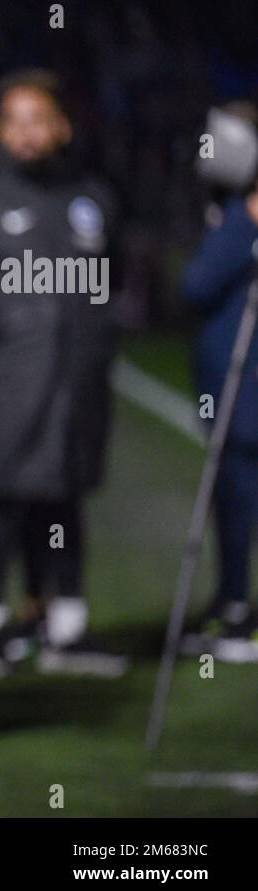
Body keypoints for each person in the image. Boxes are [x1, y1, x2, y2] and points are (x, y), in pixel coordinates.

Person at [0, 69, 124, 676]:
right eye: (15, 120)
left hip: (75, 388)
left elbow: (105, 288)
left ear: (61, 126)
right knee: (1, 504)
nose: (28, 133)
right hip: (0, 389)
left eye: (39, 119)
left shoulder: (92, 202)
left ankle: (66, 623)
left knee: (62, 498)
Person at [179, 122, 258, 660]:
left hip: (244, 389)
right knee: (231, 497)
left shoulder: (239, 221)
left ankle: (235, 609)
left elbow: (194, 286)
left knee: (236, 498)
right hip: (231, 384)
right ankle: (230, 601)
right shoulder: (232, 214)